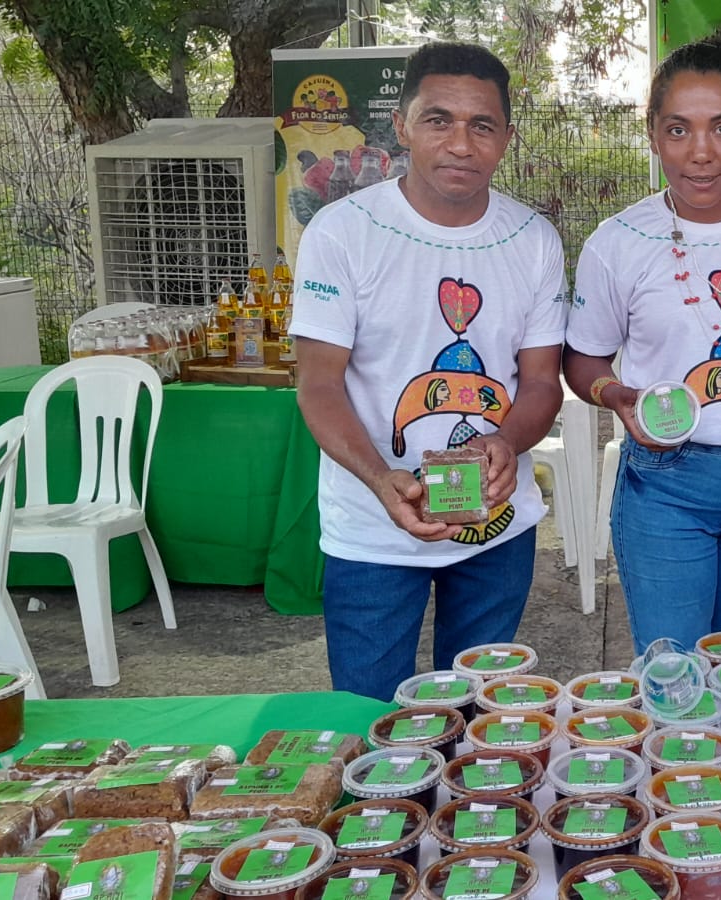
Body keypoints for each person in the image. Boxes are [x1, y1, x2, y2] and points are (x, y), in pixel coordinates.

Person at [290, 42, 567, 701]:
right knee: (368, 723)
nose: (461, 144)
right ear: (402, 124)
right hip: (372, 527)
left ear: (507, 138)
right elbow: (319, 383)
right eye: (439, 120)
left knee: (479, 721)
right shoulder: (342, 233)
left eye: (483, 125)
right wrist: (383, 479)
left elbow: (538, 384)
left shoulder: (533, 240)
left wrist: (505, 442)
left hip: (496, 527)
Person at [564, 38, 721, 653]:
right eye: (678, 130)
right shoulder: (618, 242)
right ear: (652, 134)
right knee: (675, 679)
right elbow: (583, 358)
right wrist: (617, 395)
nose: (701, 154)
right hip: (668, 484)